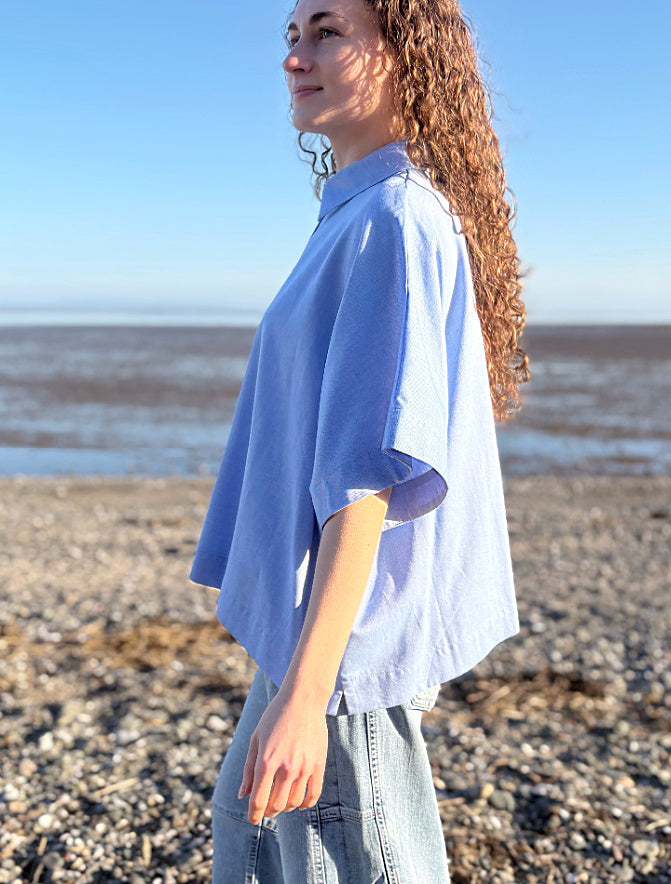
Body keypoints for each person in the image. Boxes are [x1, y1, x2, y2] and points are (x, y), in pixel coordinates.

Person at [189, 0, 529, 880]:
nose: (297, 57)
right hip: (319, 639)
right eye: (292, 36)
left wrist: (309, 694)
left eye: (328, 31)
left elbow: (368, 474)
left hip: (345, 656)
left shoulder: (396, 221)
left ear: (405, 50)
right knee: (251, 841)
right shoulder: (359, 212)